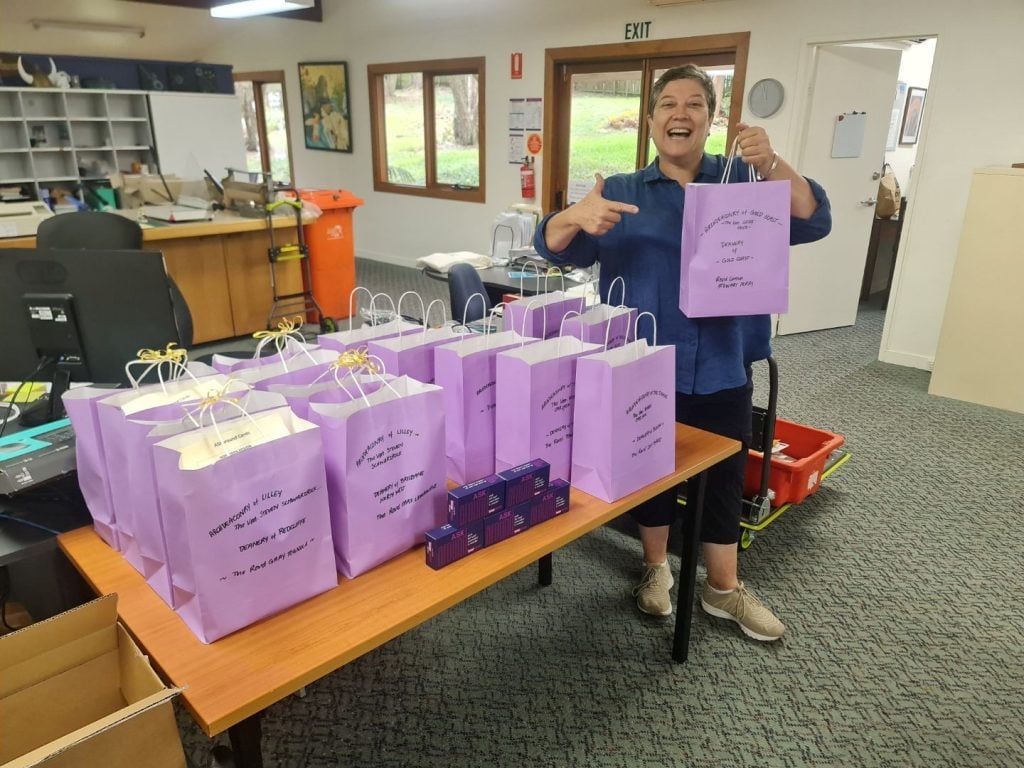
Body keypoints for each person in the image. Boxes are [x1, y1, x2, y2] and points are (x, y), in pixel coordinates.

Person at [533, 64, 831, 642]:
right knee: (650, 470)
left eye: (695, 104)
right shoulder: (619, 191)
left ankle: (723, 589)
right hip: (643, 363)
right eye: (668, 104)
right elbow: (553, 249)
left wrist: (771, 161)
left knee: (723, 472)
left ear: (710, 120)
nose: (680, 114)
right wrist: (572, 216)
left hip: (722, 358)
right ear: (650, 121)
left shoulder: (745, 183)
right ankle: (654, 572)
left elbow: (812, 218)